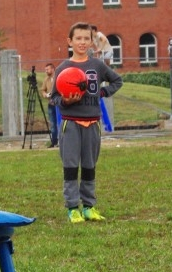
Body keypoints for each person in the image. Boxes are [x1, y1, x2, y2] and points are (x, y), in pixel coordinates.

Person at [49, 22, 123, 224]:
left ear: (92, 42)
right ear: (69, 41)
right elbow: (53, 97)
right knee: (71, 166)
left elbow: (117, 81)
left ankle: (89, 206)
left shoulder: (97, 65)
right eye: (78, 38)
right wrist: (65, 101)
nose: (82, 42)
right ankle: (73, 208)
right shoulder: (64, 68)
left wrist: (102, 92)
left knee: (89, 166)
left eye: (86, 39)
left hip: (92, 123)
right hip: (71, 124)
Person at [41, 63, 59, 148]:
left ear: (52, 69)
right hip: (51, 104)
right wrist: (45, 94)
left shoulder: (58, 77)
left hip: (59, 104)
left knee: (60, 122)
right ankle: (54, 141)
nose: (46, 71)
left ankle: (61, 140)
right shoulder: (46, 80)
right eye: (45, 70)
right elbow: (43, 90)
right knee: (52, 123)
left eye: (47, 69)